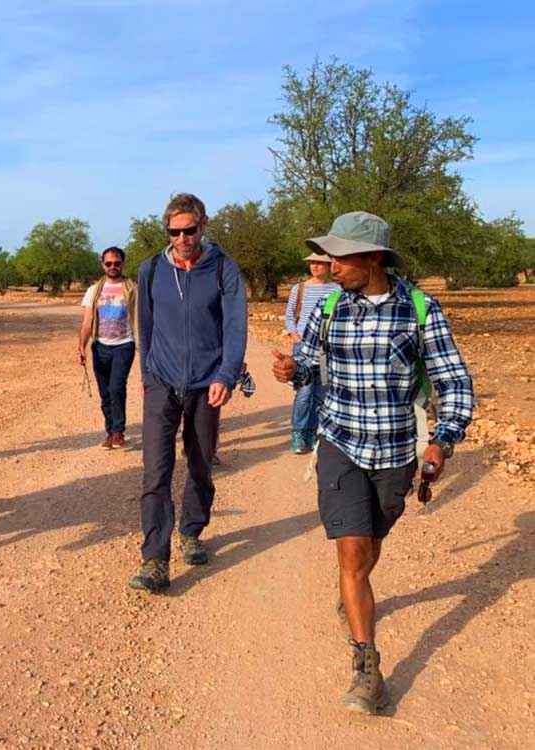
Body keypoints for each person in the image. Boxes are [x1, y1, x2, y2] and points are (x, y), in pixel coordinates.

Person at [272, 211, 474, 714]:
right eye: (330, 256)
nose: (331, 265)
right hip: (339, 441)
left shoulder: (421, 310)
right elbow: (307, 363)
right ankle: (367, 666)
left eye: (342, 256)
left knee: (369, 547)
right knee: (350, 554)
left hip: (396, 449)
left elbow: (454, 383)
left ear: (374, 257)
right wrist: (290, 368)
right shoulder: (333, 307)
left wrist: (442, 441)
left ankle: (353, 588)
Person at [129, 193, 247, 592]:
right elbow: (145, 325)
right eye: (174, 232)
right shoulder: (151, 269)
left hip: (205, 383)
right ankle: (154, 560)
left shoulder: (223, 269)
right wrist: (147, 373)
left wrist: (226, 375)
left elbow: (234, 326)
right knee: (155, 471)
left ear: (204, 224)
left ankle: (192, 530)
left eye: (189, 230)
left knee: (199, 463)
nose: (182, 238)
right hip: (162, 381)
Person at [78, 246, 138, 450]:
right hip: (100, 346)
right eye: (109, 263)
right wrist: (82, 346)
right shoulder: (94, 291)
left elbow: (143, 317)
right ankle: (110, 431)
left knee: (116, 387)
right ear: (103, 264)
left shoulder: (132, 288)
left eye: (117, 263)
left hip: (124, 345)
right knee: (105, 392)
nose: (113, 267)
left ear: (123, 263)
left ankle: (118, 432)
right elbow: (87, 322)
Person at [284, 253, 340, 453]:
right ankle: (299, 434)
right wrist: (296, 336)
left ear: (329, 265)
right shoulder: (298, 289)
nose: (315, 267)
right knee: (304, 392)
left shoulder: (338, 289)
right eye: (312, 263)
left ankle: (317, 433)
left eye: (320, 263)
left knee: (322, 392)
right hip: (302, 347)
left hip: (326, 348)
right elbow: (289, 316)